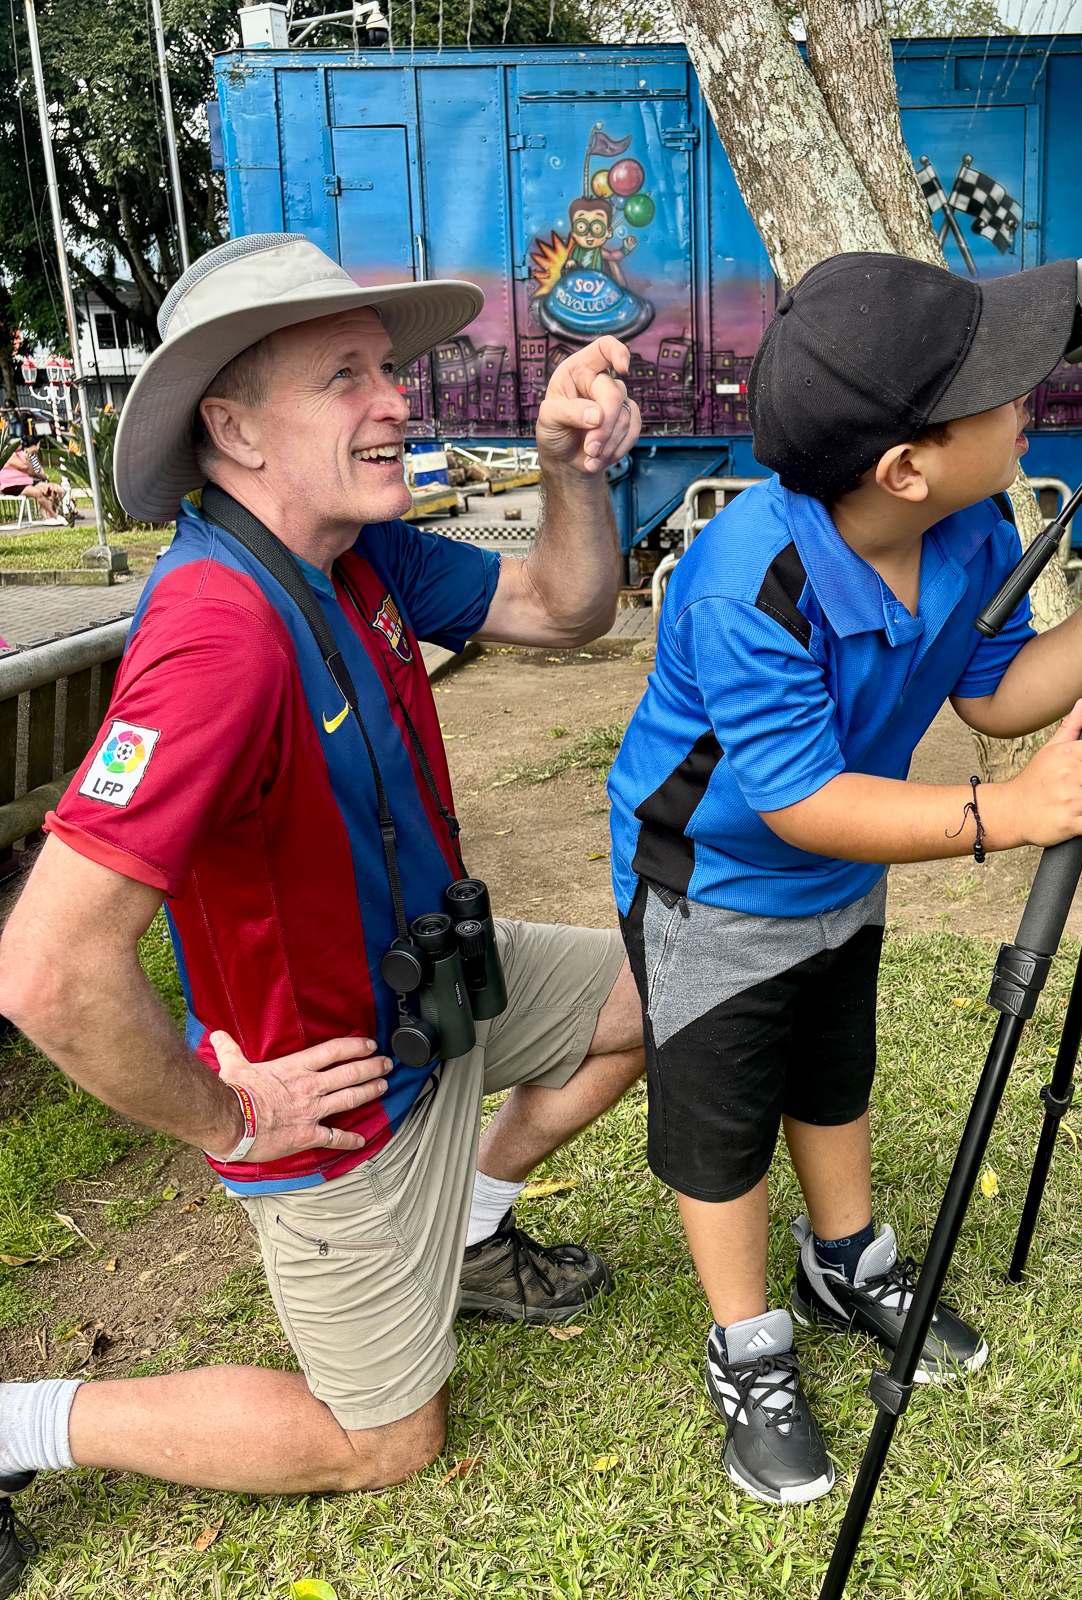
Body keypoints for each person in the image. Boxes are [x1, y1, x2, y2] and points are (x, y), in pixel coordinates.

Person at [0, 234, 646, 1586]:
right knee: (385, 1439)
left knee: (657, 999)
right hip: (333, 1093)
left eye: (389, 368)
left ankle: (464, 1233)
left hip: (435, 991)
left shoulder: (361, 558)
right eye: (342, 375)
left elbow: (564, 605)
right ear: (231, 430)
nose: (396, 397)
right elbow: (48, 969)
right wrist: (228, 1111)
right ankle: (18, 1423)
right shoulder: (217, 634)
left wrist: (568, 468)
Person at [606, 252, 1082, 1505]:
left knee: (833, 1066)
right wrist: (1007, 814)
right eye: (995, 389)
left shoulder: (968, 523)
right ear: (905, 465)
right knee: (723, 1129)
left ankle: (849, 1258)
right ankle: (749, 1343)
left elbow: (988, 690)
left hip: (838, 872)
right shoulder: (747, 584)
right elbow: (799, 799)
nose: (1027, 396)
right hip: (709, 887)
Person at [0, 432, 67, 521]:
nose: (21, 445)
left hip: (26, 482)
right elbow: (24, 466)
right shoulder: (8, 455)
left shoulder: (21, 454)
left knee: (51, 489)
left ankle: (49, 514)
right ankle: (54, 516)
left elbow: (31, 471)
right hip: (12, 485)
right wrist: (27, 460)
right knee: (37, 492)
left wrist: (27, 459)